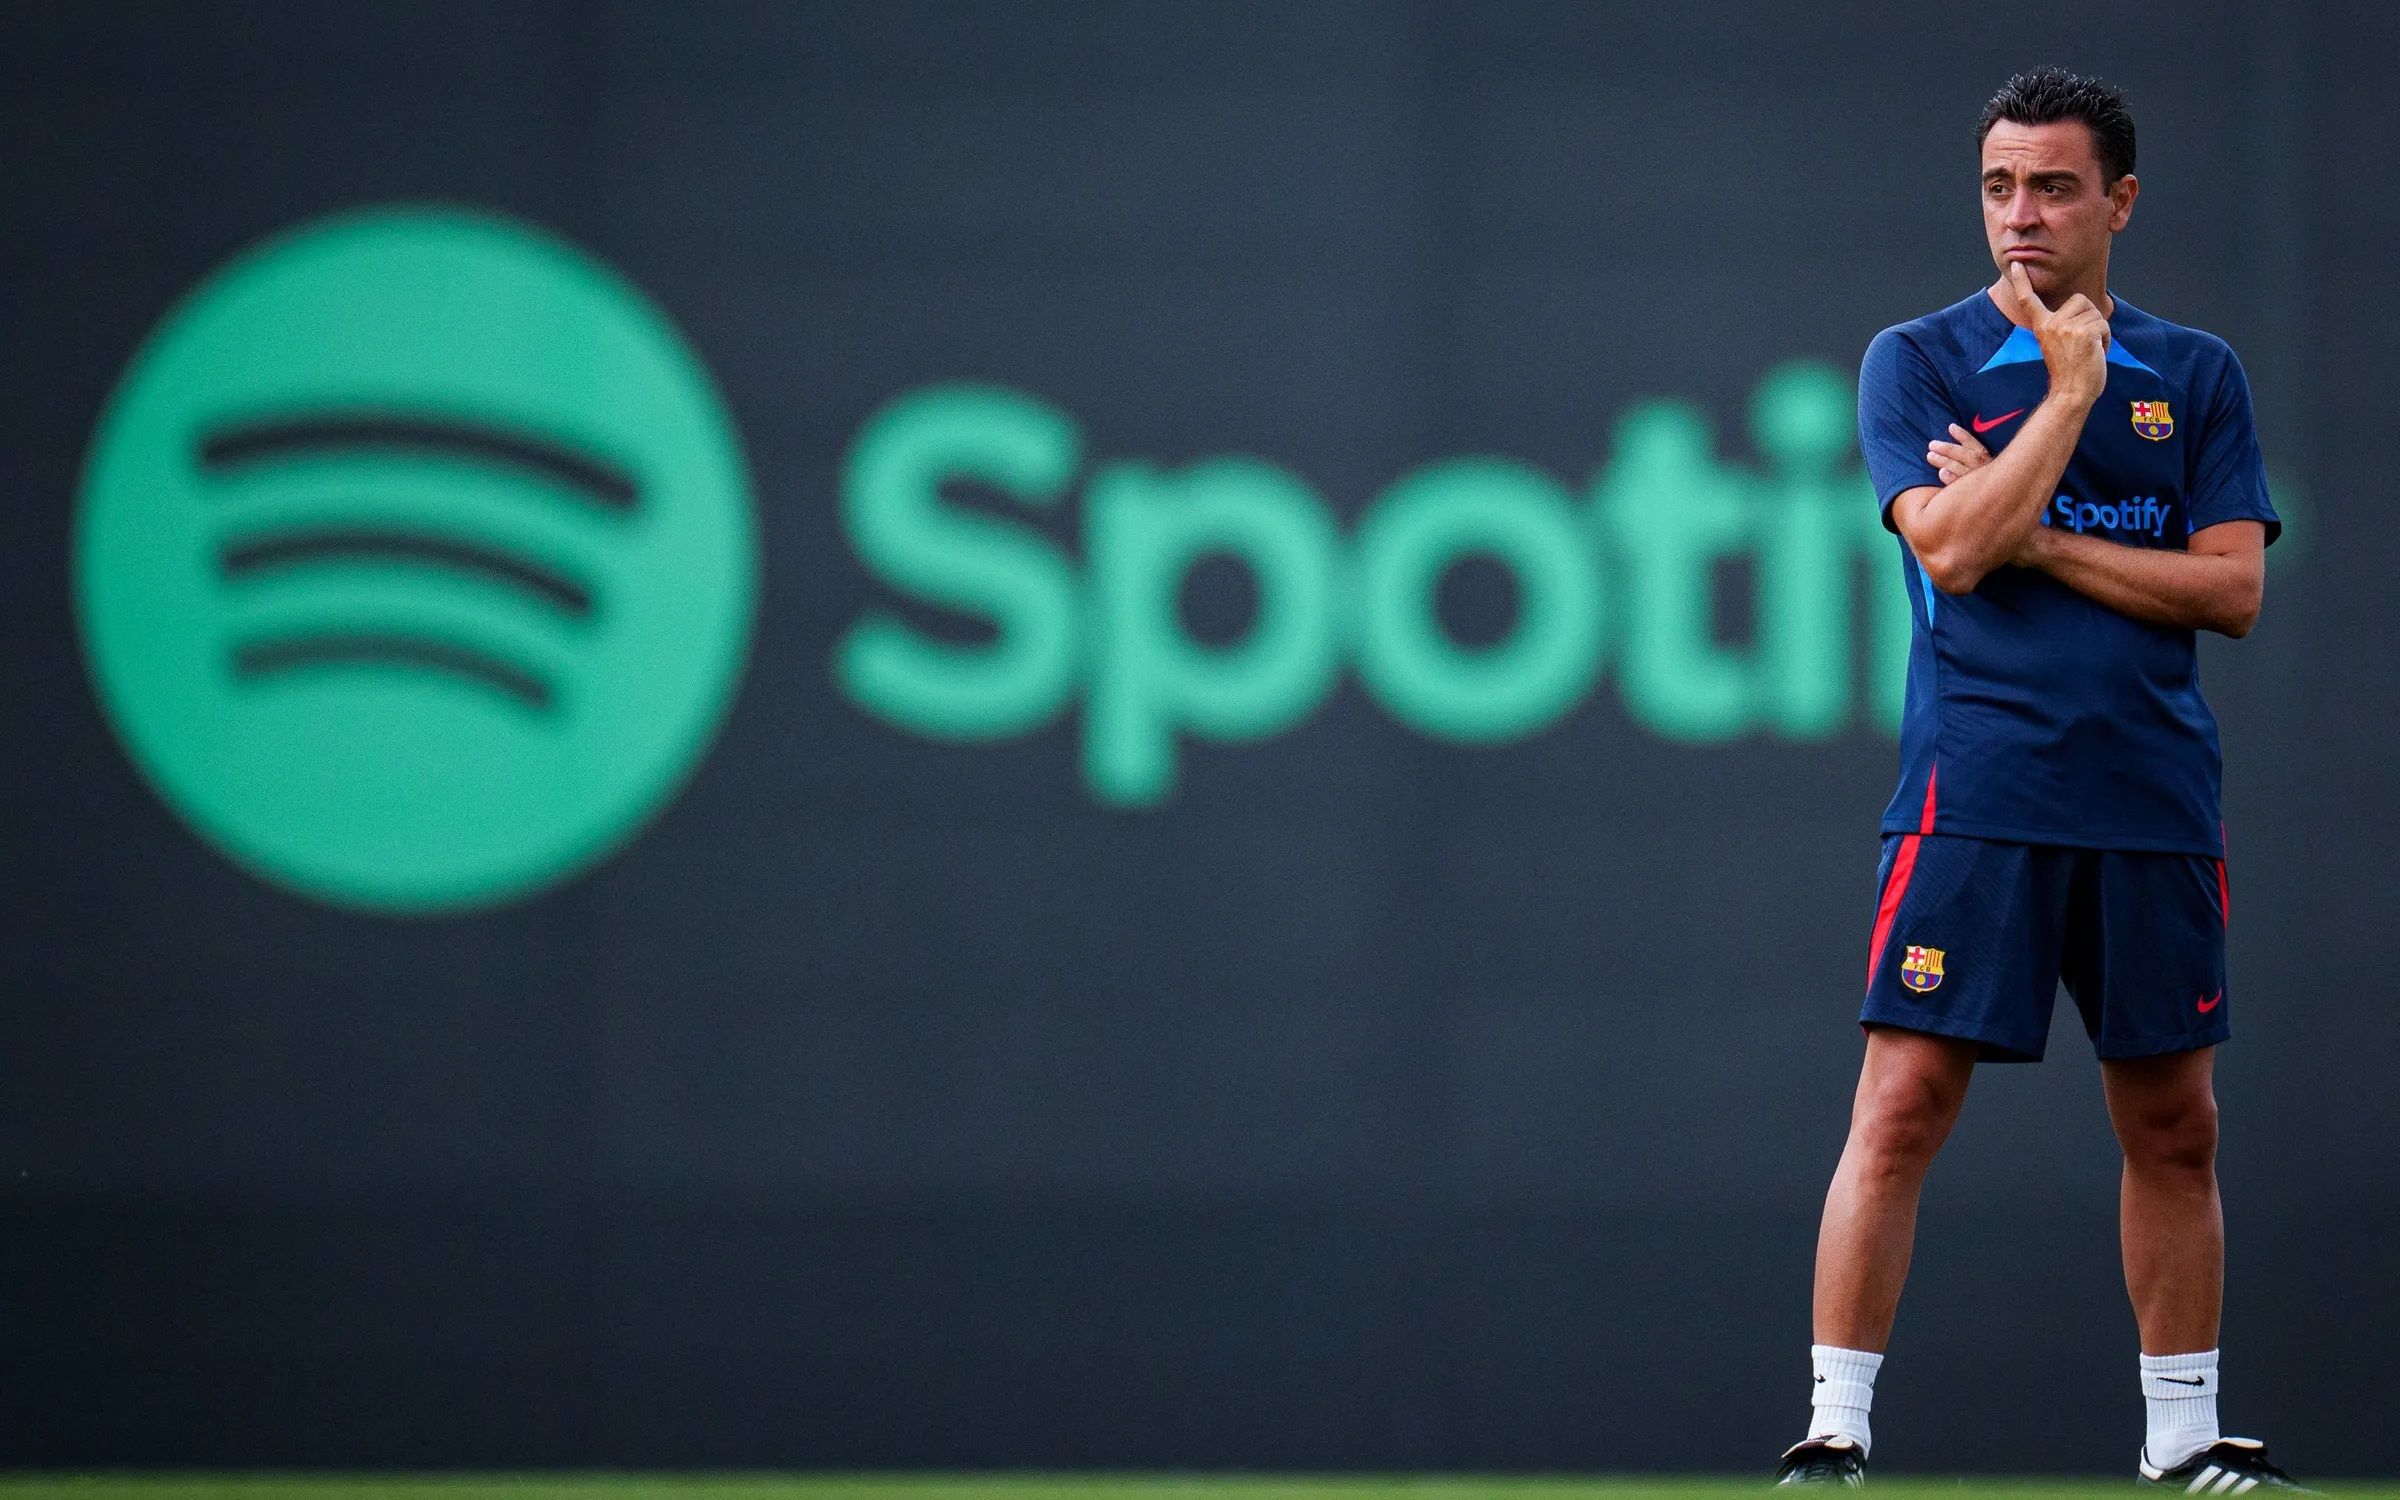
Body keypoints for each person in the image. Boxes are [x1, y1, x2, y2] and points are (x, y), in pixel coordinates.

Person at [1772, 68, 2305, 1491]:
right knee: (1902, 1105)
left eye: (2056, 186)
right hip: (1976, 791)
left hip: (2149, 802)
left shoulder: (2196, 376)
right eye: (2002, 185)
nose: (2023, 215)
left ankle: (2183, 1442)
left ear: (2119, 201)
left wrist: (2049, 540)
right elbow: (1945, 549)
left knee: (2175, 1125)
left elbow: (2234, 589)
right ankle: (1836, 1432)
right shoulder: (1921, 359)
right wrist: (2067, 398)